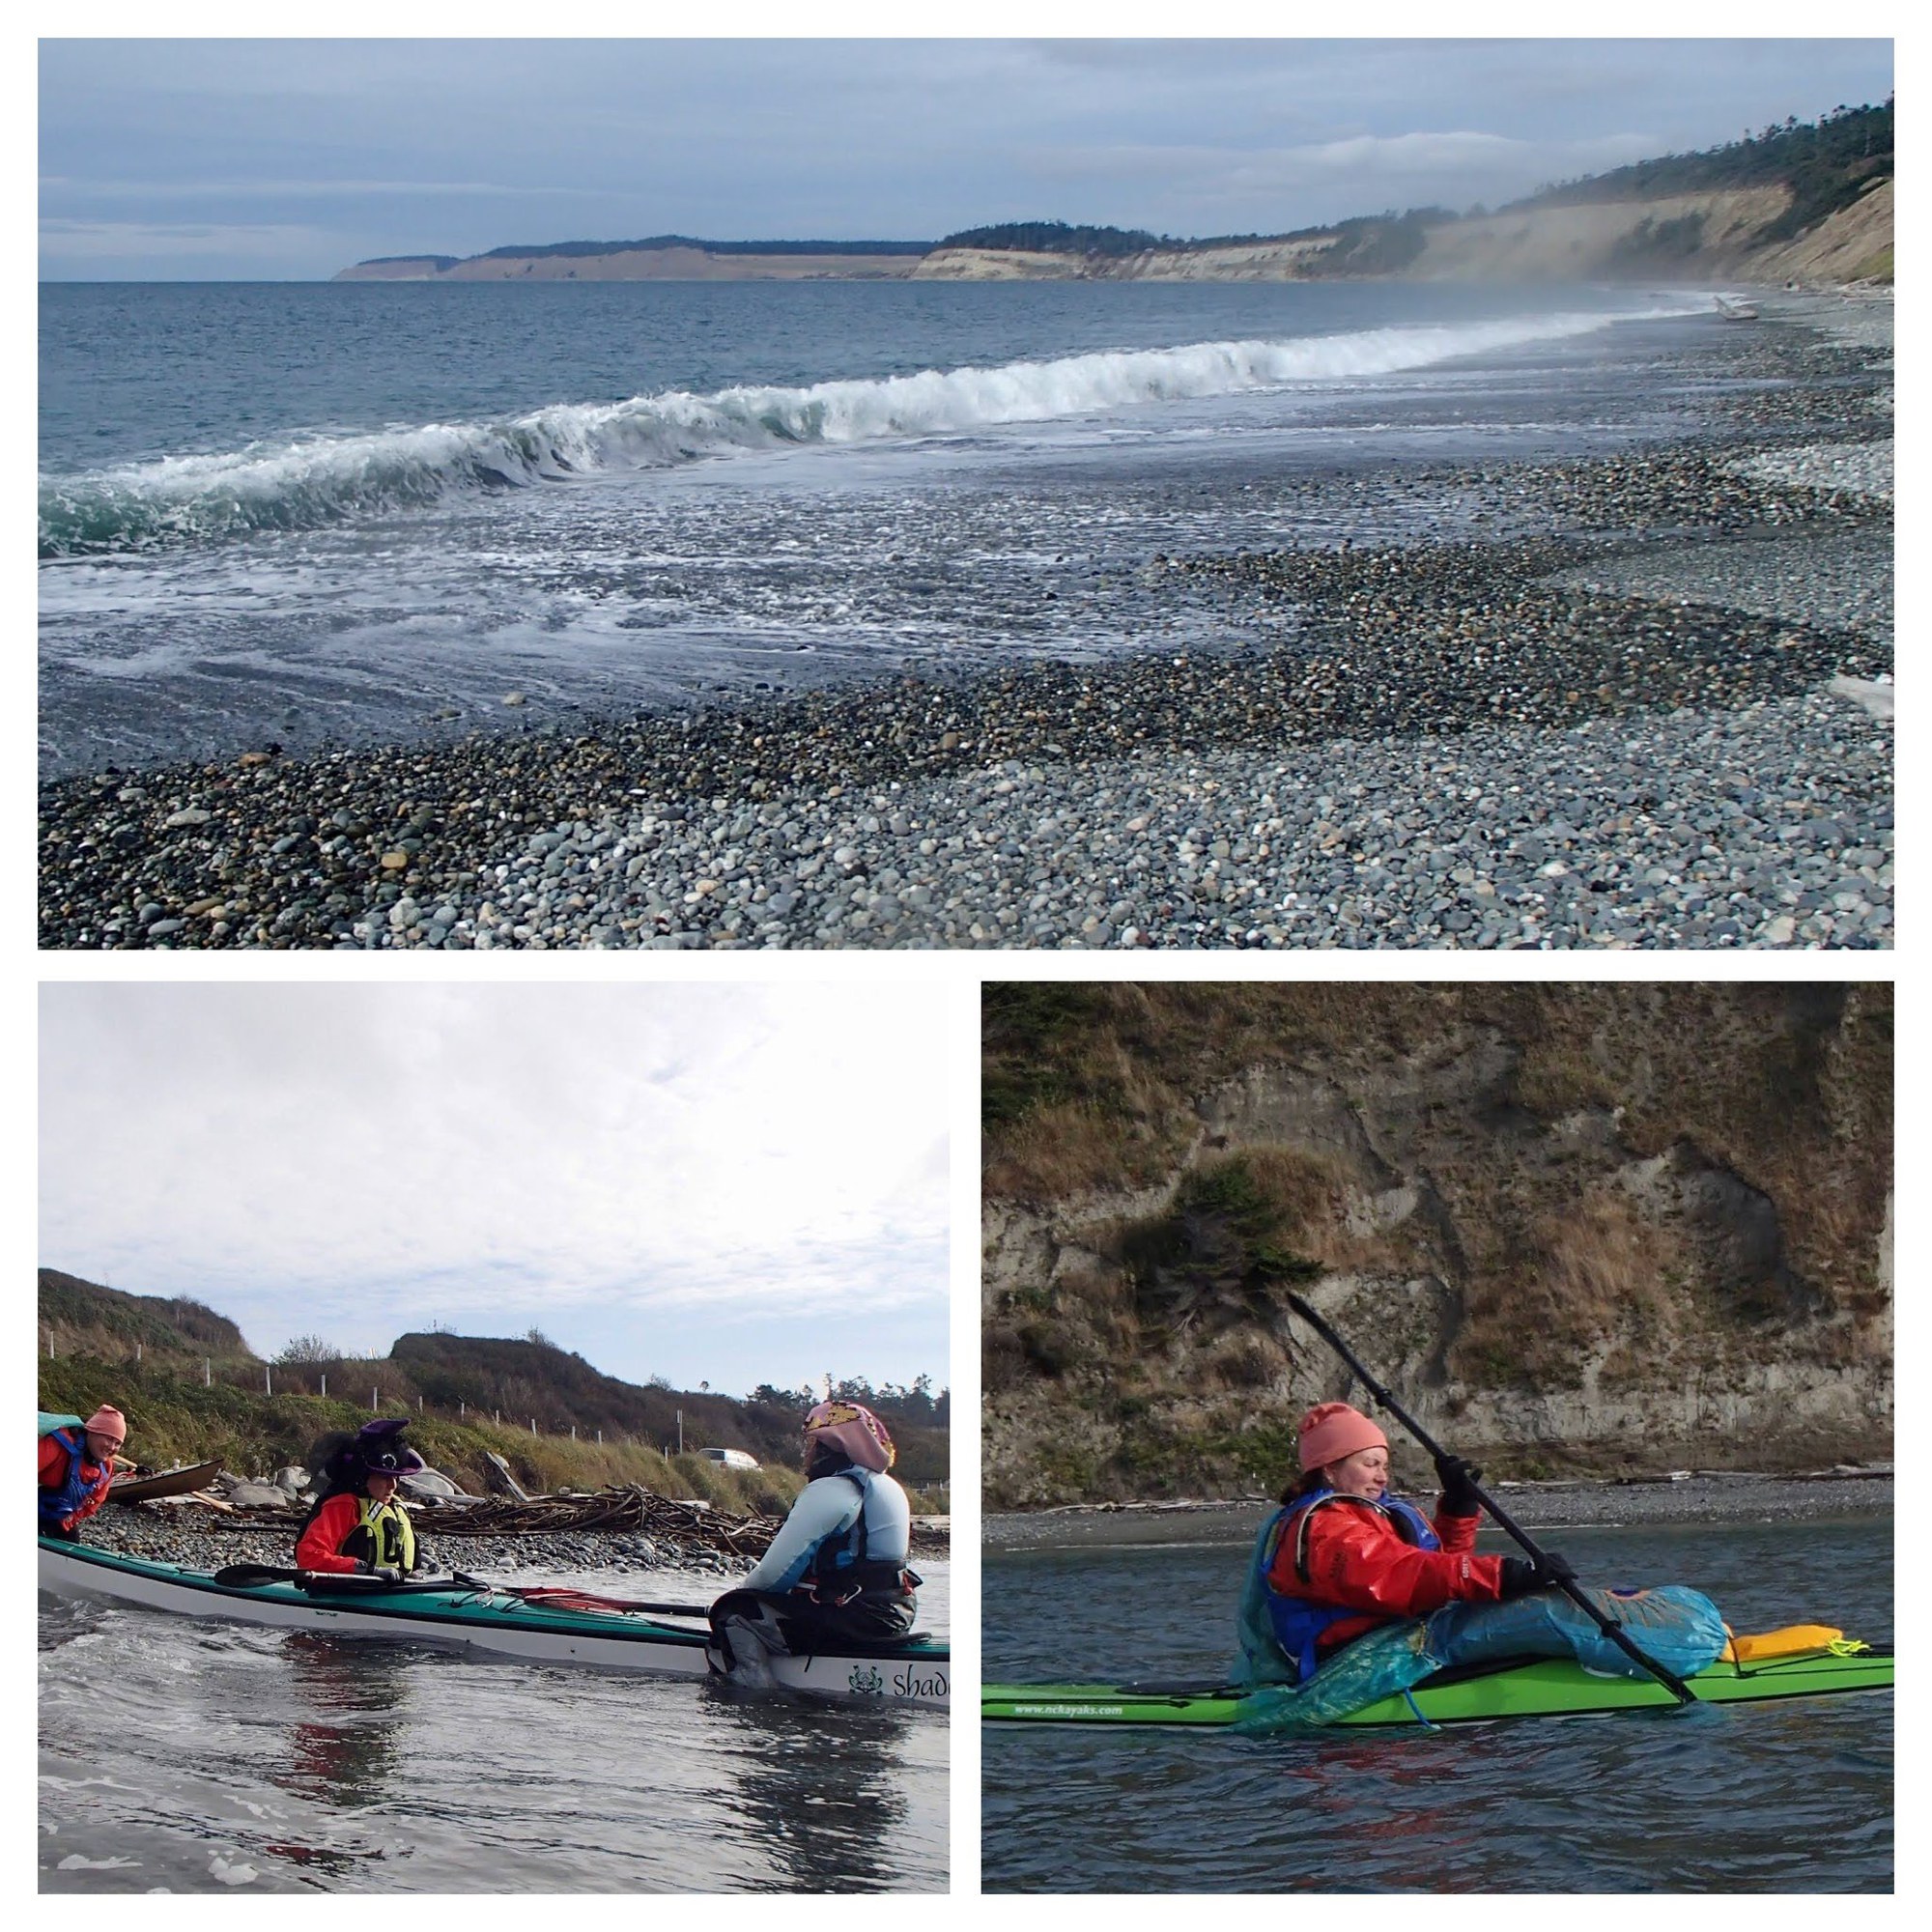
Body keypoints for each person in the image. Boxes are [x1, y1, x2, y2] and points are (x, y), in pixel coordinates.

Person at [1249, 1400, 1573, 1683]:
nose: (1382, 1476)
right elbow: (1406, 1575)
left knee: (1532, 1608)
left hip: (1402, 1639)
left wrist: (1458, 1508)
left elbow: (1437, 1566)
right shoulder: (1324, 1529)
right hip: (1362, 1657)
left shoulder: (1371, 1514)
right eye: (1370, 1464)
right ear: (1330, 1470)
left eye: (1385, 1466)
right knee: (1541, 1615)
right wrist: (1505, 1574)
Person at [708, 1399, 920, 1673]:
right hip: (898, 1612)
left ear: (829, 1448)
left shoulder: (832, 1490)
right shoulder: (888, 1486)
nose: (806, 1454)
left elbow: (772, 1577)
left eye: (811, 1444)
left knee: (735, 1613)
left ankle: (756, 1706)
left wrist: (740, 1598)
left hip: (858, 1618)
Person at [295, 1419, 430, 1579]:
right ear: (363, 1477)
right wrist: (367, 1570)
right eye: (384, 1477)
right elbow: (309, 1556)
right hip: (342, 1594)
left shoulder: (395, 1507)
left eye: (396, 1478)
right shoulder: (344, 1506)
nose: (392, 1485)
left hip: (386, 1592)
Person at [39, 1406, 128, 1541]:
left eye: (118, 1443)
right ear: (92, 1431)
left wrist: (69, 1520)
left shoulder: (106, 1467)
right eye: (109, 1439)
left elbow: (95, 1502)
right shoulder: (58, 1445)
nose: (112, 1447)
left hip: (60, 1516)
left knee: (71, 1541)